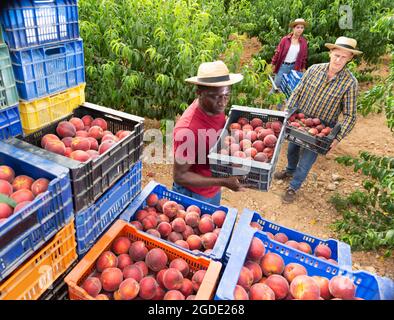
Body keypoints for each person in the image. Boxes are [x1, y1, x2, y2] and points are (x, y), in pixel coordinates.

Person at [274, 36, 362, 203]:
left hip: (322, 129)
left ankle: (293, 186)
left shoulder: (350, 83)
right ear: (330, 53)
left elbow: (350, 115)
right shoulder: (314, 70)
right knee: (292, 150)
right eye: (337, 55)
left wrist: (337, 138)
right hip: (300, 121)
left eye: (344, 57)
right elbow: (297, 93)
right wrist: (287, 113)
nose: (339, 60)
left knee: (307, 160)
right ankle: (290, 169)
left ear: (350, 58)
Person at [172, 61, 245, 205]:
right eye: (216, 96)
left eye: (226, 95)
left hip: (212, 187)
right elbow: (180, 176)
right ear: (199, 93)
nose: (223, 102)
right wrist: (224, 181)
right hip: (193, 194)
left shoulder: (214, 105)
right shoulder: (188, 131)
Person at [271, 18, 309, 92]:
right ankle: (266, 103)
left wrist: (303, 68)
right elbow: (278, 52)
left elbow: (304, 57)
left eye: (302, 28)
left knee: (286, 89)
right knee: (275, 87)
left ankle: (280, 104)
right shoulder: (285, 40)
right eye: (298, 27)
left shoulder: (304, 42)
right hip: (283, 66)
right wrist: (272, 63)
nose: (300, 30)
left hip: (294, 67)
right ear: (293, 28)